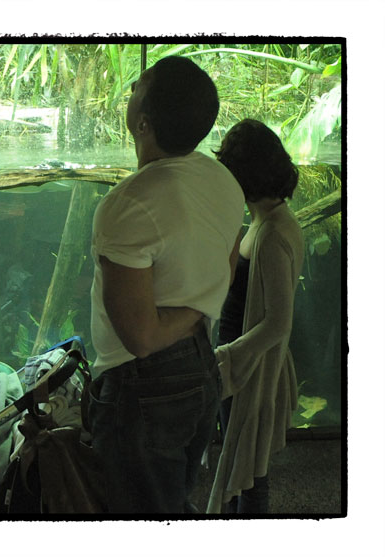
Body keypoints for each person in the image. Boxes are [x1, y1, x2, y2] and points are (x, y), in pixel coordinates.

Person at [87, 56, 246, 513]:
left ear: (143, 123)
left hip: (144, 388)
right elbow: (228, 262)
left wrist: (195, 309)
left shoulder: (128, 204)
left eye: (143, 82)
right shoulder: (222, 180)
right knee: (172, 498)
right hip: (201, 371)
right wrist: (203, 304)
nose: (134, 82)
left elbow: (142, 339)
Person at [207, 119, 304, 514]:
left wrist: (227, 357)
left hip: (246, 371)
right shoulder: (266, 220)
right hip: (241, 368)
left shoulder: (273, 234)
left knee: (248, 469)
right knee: (242, 465)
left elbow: (279, 321)